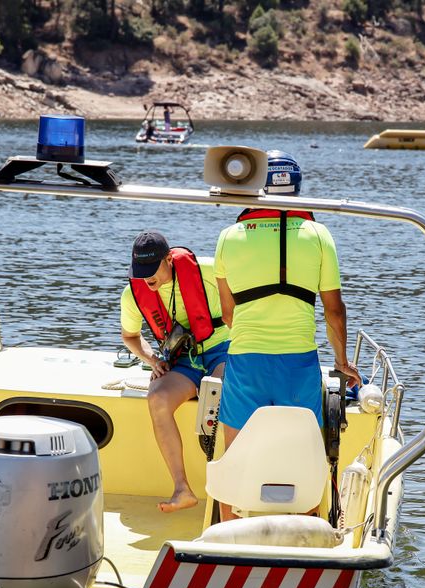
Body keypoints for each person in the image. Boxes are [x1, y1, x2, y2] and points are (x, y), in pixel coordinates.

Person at [213, 150, 361, 518]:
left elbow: (228, 312)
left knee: (232, 460)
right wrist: (342, 362)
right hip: (299, 362)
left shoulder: (228, 236)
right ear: (298, 188)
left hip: (246, 360)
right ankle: (306, 540)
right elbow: (334, 310)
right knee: (305, 460)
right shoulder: (319, 235)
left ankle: (226, 540)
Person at [120, 231, 231, 513]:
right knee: (157, 398)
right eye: (140, 271)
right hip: (184, 359)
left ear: (169, 259)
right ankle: (182, 489)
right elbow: (130, 336)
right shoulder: (134, 292)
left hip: (223, 348)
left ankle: (230, 487)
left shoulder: (208, 271)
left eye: (151, 270)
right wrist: (151, 358)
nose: (146, 279)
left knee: (215, 389)